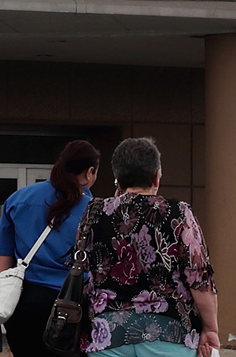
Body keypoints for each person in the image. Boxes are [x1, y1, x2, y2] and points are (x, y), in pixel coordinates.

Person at [72, 137, 220, 357]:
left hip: (107, 336)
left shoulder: (94, 211)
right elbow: (199, 277)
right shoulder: (179, 213)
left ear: (118, 180)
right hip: (170, 334)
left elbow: (84, 267)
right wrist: (210, 328)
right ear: (156, 176)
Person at [0, 141, 101, 357]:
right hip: (71, 306)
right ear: (89, 173)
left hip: (23, 303)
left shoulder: (18, 199)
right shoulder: (95, 210)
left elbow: (3, 257)